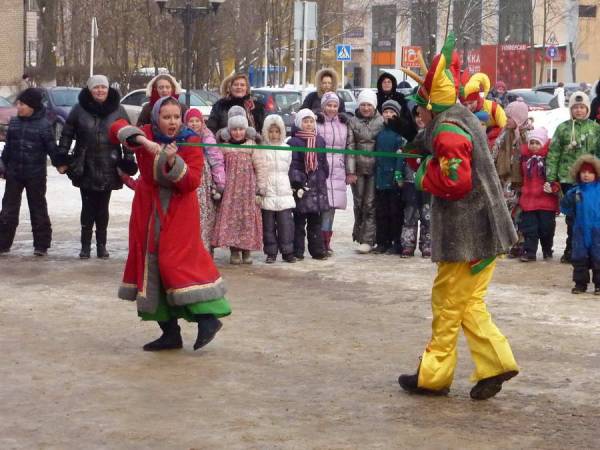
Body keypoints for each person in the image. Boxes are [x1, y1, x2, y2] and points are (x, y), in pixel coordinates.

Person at [397, 34, 519, 400]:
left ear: (430, 107)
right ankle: (495, 363)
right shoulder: (458, 119)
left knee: (448, 304)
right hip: (486, 233)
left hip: (467, 237)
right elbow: (435, 147)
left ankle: (433, 376)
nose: (417, 114)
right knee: (467, 304)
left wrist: (422, 171)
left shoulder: (448, 131)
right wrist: (416, 150)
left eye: (419, 108)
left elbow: (455, 180)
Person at [110, 96, 230, 351]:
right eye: (166, 117)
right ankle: (169, 332)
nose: (172, 122)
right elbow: (115, 127)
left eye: (176, 117)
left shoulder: (190, 141)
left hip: (178, 210)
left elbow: (192, 182)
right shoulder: (146, 133)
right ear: (157, 118)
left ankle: (207, 319)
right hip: (147, 210)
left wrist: (174, 162)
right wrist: (145, 142)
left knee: (174, 263)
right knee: (149, 267)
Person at [59, 75, 137, 259]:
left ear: (108, 89)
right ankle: (85, 246)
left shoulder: (118, 110)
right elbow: (67, 134)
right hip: (85, 164)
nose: (100, 90)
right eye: (96, 87)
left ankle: (102, 245)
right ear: (90, 89)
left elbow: (127, 136)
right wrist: (62, 157)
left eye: (103, 87)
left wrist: (127, 161)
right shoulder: (79, 109)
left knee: (103, 208)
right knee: (87, 208)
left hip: (109, 164)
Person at [0, 88, 67, 255]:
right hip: (14, 174)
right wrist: (2, 166)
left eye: (22, 104)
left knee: (38, 209)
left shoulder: (44, 125)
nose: (18, 106)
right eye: (18, 103)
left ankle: (41, 245)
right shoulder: (14, 123)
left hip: (35, 175)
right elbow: (8, 148)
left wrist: (60, 164)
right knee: (8, 210)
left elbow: (52, 149)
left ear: (32, 106)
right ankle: (3, 243)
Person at [546, 91, 600, 263]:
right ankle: (571, 248)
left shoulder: (595, 129)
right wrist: (551, 177)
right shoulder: (562, 128)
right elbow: (554, 153)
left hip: (590, 181)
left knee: (589, 214)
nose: (579, 110)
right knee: (571, 217)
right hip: (568, 180)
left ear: (588, 109)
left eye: (582, 107)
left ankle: (591, 250)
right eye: (575, 107)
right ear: (570, 109)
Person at [212, 106, 266, 264]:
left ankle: (246, 250)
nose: (237, 133)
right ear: (229, 131)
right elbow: (218, 165)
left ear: (246, 129)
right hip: (231, 191)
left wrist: (261, 188)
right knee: (233, 220)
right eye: (234, 129)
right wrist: (218, 185)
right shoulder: (225, 147)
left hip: (248, 190)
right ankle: (234, 250)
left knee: (247, 219)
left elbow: (260, 166)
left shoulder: (251, 145)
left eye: (241, 129)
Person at [346, 89, 384, 254]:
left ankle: (368, 239)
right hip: (359, 168)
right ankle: (359, 235)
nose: (366, 108)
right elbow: (350, 147)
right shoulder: (353, 122)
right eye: (363, 105)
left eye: (369, 105)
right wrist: (350, 171)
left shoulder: (381, 121)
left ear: (374, 106)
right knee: (358, 202)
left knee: (370, 204)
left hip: (375, 169)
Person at [289, 109, 330, 260]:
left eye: (311, 121)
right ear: (299, 123)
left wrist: (324, 174)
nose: (308, 124)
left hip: (317, 187)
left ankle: (317, 250)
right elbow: (293, 165)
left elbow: (323, 162)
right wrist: (298, 181)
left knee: (316, 222)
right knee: (299, 222)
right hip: (302, 188)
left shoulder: (320, 140)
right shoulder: (294, 142)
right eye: (305, 121)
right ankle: (297, 251)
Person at [491, 100, 530, 258]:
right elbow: (494, 152)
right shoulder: (504, 134)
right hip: (505, 178)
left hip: (522, 180)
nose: (506, 120)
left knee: (520, 213)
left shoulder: (527, 136)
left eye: (509, 117)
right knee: (506, 210)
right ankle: (506, 241)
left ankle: (520, 243)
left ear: (518, 119)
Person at [184, 108, 225, 253]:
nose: (194, 124)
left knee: (205, 214)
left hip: (204, 180)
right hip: (189, 177)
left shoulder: (207, 137)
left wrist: (220, 182)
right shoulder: (182, 137)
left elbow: (216, 159)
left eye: (197, 121)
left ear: (202, 123)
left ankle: (205, 248)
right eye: (191, 121)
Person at [518, 127, 560, 262]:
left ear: (543, 144)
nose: (534, 146)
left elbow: (556, 176)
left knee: (546, 228)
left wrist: (554, 187)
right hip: (529, 200)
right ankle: (530, 252)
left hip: (546, 201)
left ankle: (547, 249)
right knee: (529, 228)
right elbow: (520, 175)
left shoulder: (549, 159)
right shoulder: (524, 159)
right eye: (532, 142)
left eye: (537, 143)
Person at [560, 154, 600, 295]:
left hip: (597, 230)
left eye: (590, 172)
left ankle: (599, 284)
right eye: (583, 172)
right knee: (579, 257)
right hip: (580, 230)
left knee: (598, 256)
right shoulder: (575, 191)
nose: (586, 175)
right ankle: (580, 283)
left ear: (596, 174)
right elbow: (566, 206)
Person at [260, 114, 296, 264]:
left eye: (277, 131)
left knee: (286, 224)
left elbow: (290, 167)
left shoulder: (287, 149)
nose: (274, 135)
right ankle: (271, 252)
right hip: (267, 191)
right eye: (271, 131)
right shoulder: (261, 148)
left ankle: (287, 251)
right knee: (268, 226)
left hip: (284, 190)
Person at [316, 92, 349, 255]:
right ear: (323, 106)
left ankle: (326, 242)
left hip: (338, 170)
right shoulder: (317, 123)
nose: (332, 108)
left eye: (335, 106)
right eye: (329, 105)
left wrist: (348, 170)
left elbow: (347, 148)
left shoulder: (343, 124)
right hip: (322, 169)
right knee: (322, 207)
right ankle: (318, 241)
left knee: (331, 209)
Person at [372, 100, 406, 254]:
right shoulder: (380, 134)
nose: (388, 114)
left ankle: (396, 242)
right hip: (380, 178)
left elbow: (401, 156)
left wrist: (398, 174)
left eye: (392, 112)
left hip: (394, 179)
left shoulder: (400, 134)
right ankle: (382, 241)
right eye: (385, 112)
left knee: (395, 212)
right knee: (381, 212)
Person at [399, 106, 432, 258]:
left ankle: (427, 245)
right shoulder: (407, 136)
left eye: (422, 115)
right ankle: (408, 244)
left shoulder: (433, 135)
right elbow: (400, 156)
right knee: (410, 214)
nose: (420, 119)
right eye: (417, 116)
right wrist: (399, 174)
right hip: (410, 180)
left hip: (428, 181)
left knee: (427, 214)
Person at [460, 72, 507, 147]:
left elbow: (506, 130)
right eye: (465, 105)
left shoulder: (493, 108)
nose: (468, 107)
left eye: (471, 103)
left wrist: (490, 137)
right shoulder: (459, 111)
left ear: (477, 99)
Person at [376, 72, 418, 141]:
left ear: (393, 84)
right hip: (380, 129)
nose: (386, 84)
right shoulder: (376, 98)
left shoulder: (400, 97)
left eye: (389, 82)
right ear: (380, 84)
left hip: (398, 129)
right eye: (384, 82)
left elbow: (406, 115)